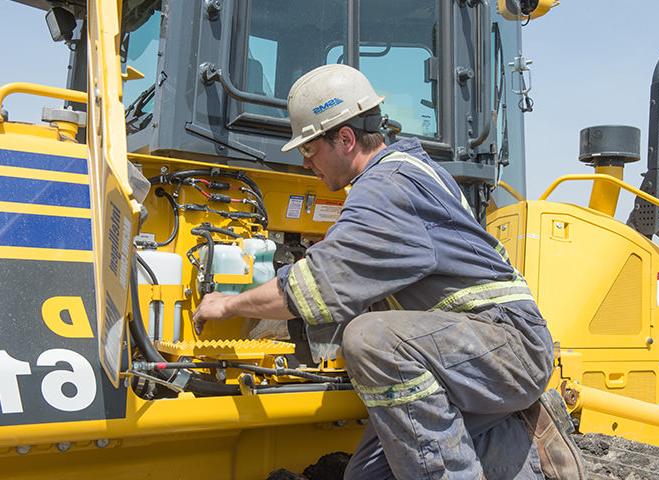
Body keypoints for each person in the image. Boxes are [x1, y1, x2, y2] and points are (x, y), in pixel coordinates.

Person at [193, 64, 584, 479]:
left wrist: (229, 304)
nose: (307, 163)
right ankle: (515, 440)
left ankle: (515, 424)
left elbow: (316, 287)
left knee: (374, 339)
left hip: (508, 347)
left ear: (344, 138)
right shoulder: (407, 171)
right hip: (470, 351)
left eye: (309, 149)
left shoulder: (387, 187)